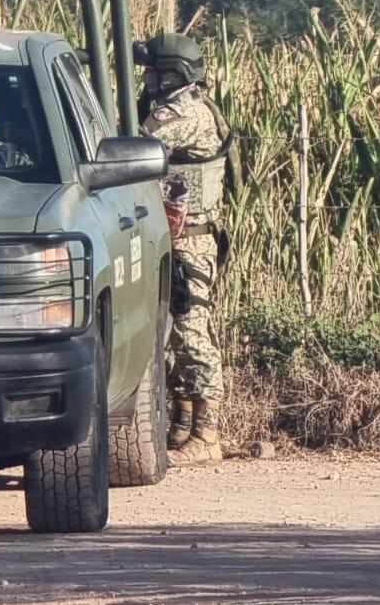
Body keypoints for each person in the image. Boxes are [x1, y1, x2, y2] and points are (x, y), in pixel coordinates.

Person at [136, 32, 235, 465]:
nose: (151, 80)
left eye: (155, 72)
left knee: (192, 330)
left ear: (173, 74)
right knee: (172, 330)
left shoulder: (185, 113)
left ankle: (207, 434)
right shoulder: (187, 105)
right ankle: (183, 422)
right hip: (174, 237)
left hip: (191, 240)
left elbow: (138, 137)